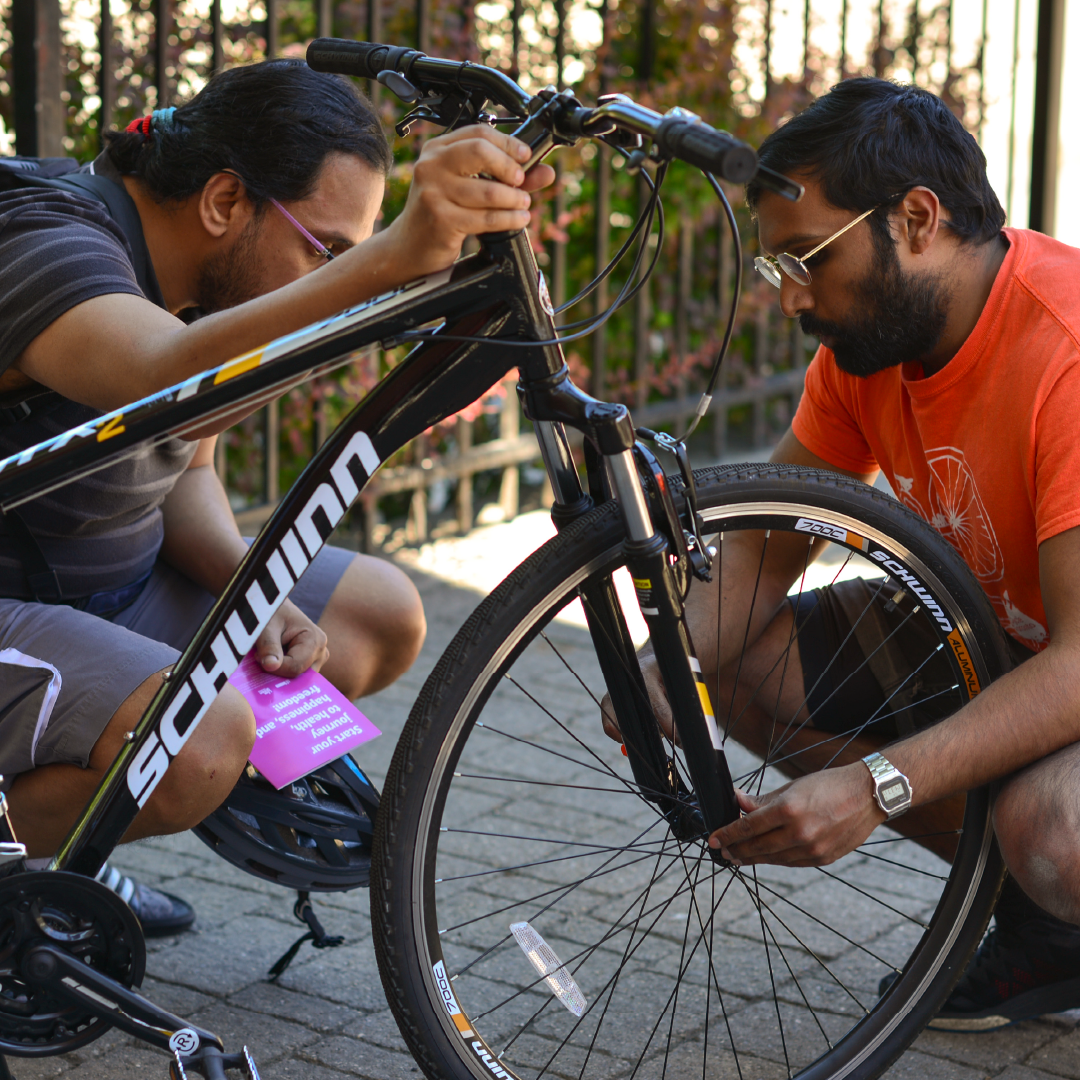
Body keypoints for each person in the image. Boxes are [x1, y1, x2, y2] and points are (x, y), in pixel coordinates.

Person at [0, 58, 554, 934]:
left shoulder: (199, 287)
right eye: (325, 248)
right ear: (224, 201)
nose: (333, 276)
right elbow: (156, 378)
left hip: (103, 598)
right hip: (15, 610)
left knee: (376, 614)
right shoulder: (45, 239)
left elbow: (188, 471)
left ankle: (64, 848)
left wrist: (247, 595)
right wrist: (387, 262)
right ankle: (22, 871)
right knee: (201, 734)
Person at [605, 77, 1080, 1030]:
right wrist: (665, 664)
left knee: (1054, 827)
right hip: (1004, 641)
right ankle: (1049, 928)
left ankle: (1048, 884)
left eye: (803, 259)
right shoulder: (870, 354)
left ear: (914, 219)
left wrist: (876, 787)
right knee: (735, 665)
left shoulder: (1062, 349)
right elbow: (756, 561)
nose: (791, 300)